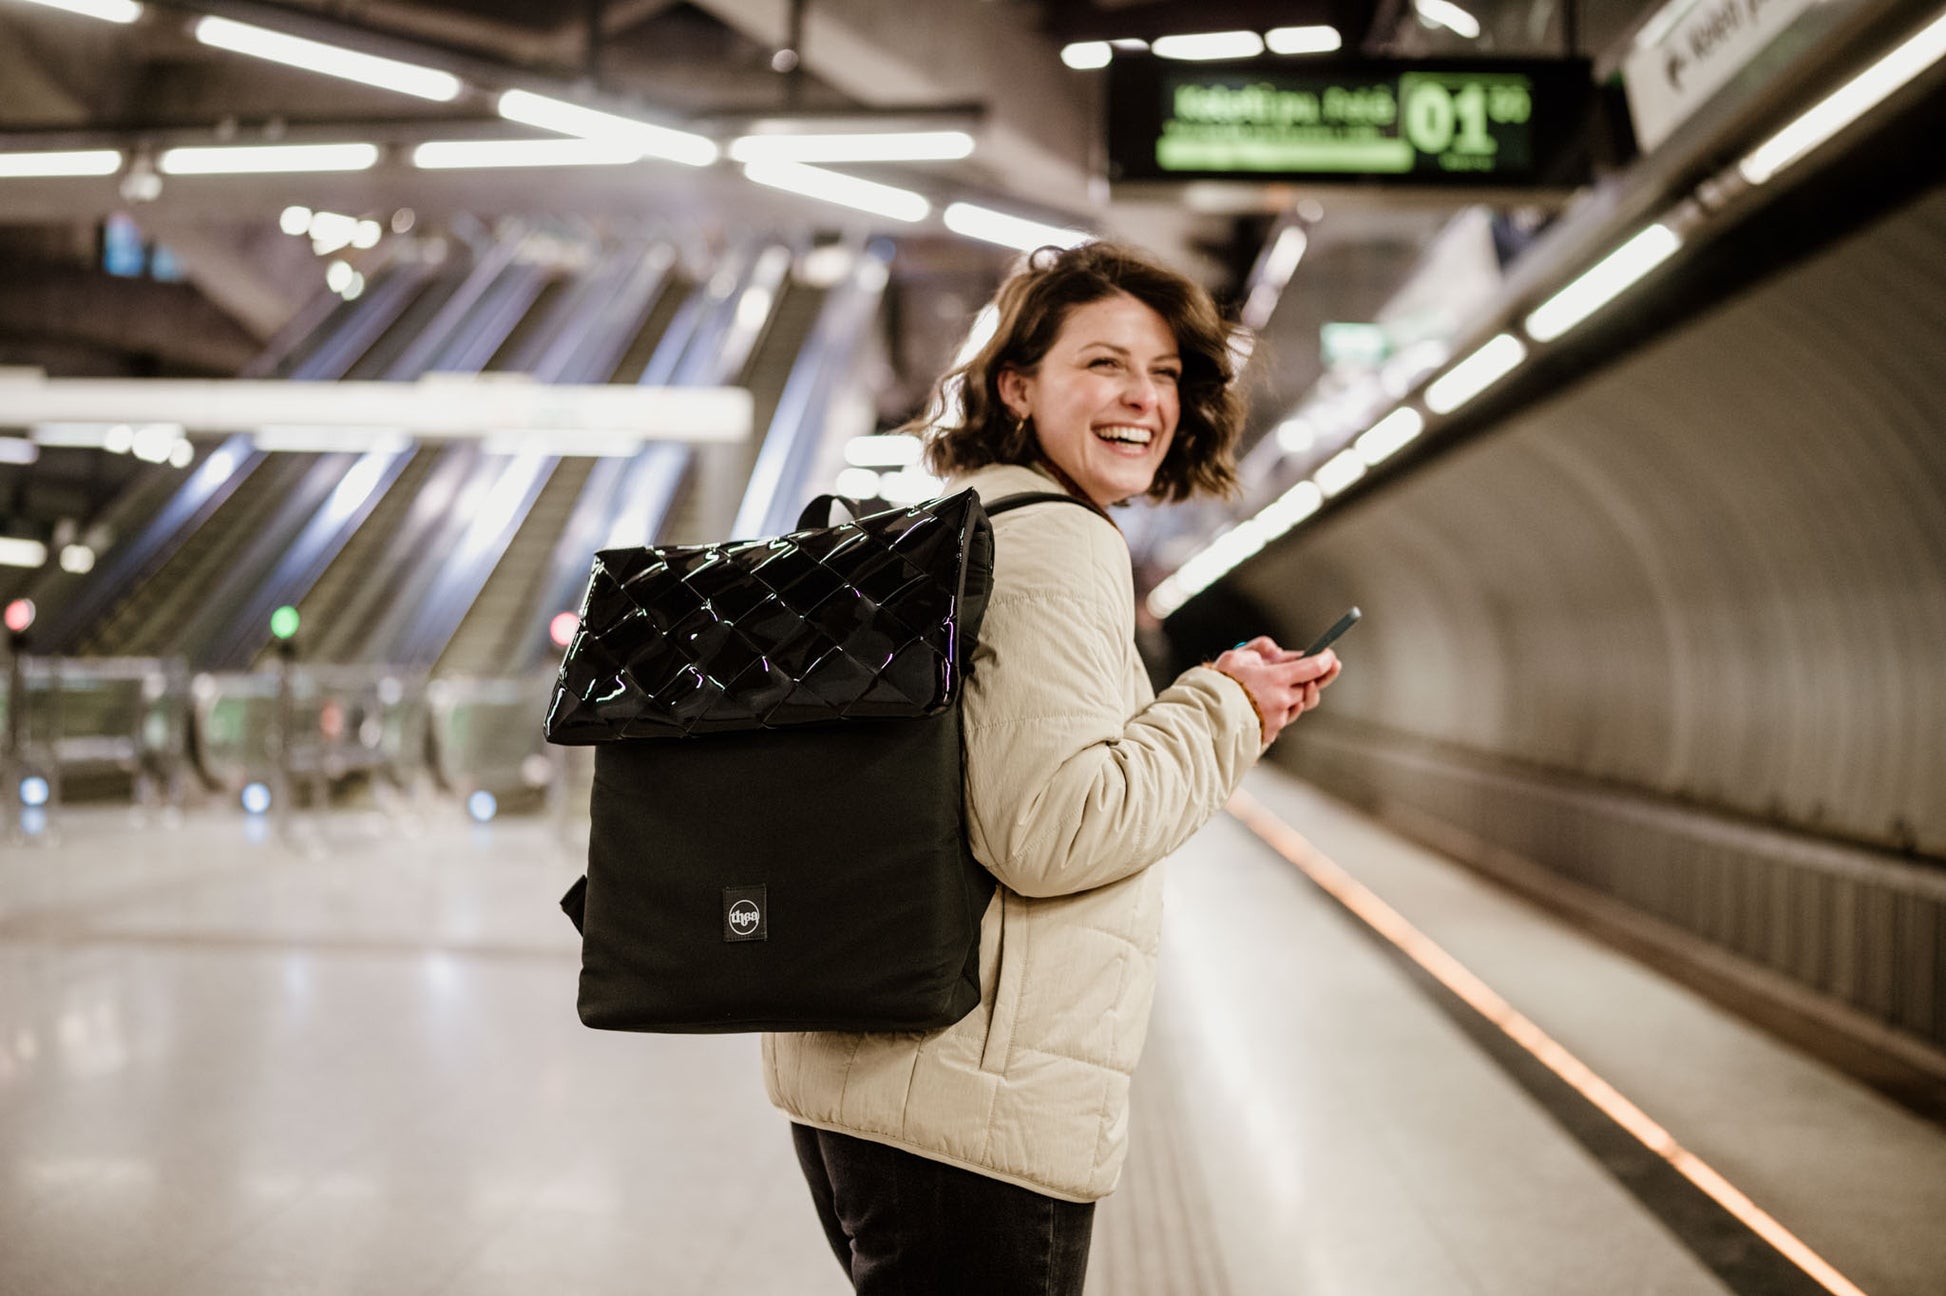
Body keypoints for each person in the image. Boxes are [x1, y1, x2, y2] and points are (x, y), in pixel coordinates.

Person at [762, 241, 1342, 1293]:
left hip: (870, 1076)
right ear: (1017, 386)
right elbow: (1050, 831)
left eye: (1164, 372)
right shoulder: (1063, 543)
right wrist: (1225, 710)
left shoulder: (958, 520)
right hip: (971, 1109)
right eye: (1103, 364)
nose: (1142, 398)